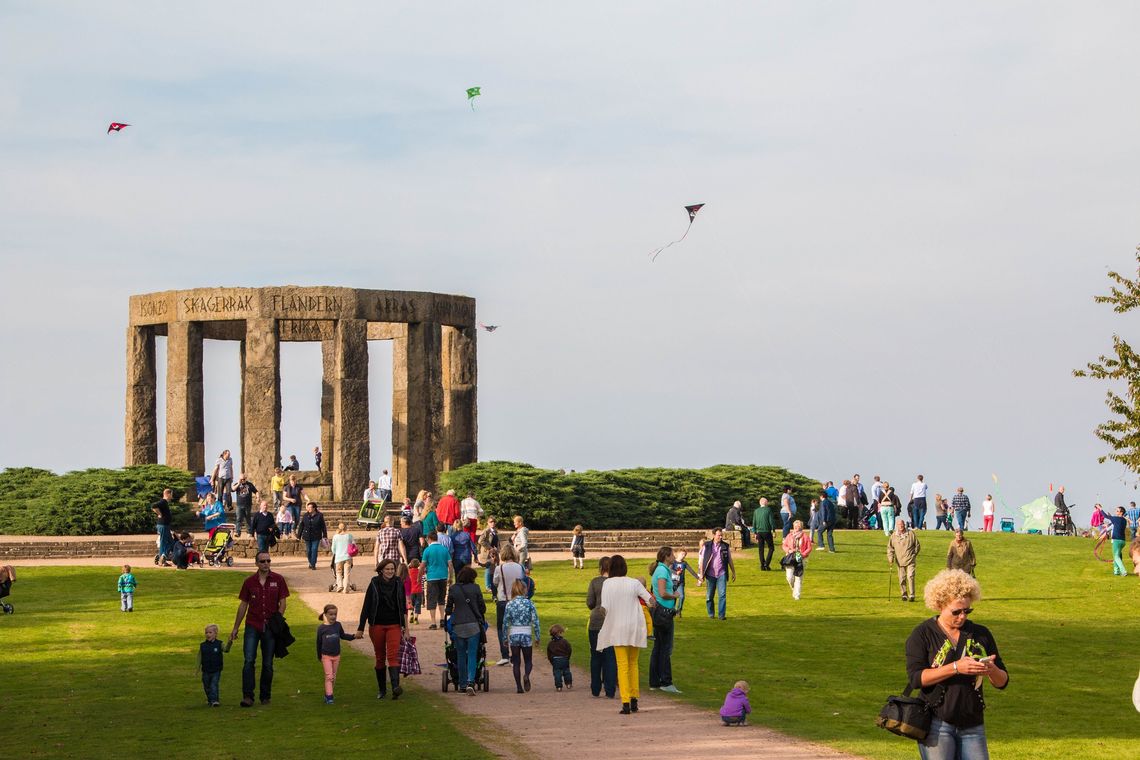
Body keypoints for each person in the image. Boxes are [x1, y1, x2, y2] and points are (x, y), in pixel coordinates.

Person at [905, 569, 1009, 758]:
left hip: (973, 725)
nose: (962, 616)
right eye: (956, 611)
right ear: (939, 605)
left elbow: (1003, 682)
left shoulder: (981, 634)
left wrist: (992, 669)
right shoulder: (922, 634)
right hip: (937, 724)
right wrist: (955, 668)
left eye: (967, 611)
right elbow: (916, 679)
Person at [229, 551, 290, 707]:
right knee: (249, 660)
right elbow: (243, 604)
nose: (266, 564)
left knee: (268, 663)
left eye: (268, 561)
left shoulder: (278, 579)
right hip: (252, 625)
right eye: (262, 561)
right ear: (256, 563)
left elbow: (282, 602)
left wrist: (278, 620)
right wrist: (235, 627)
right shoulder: (249, 582)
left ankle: (265, 696)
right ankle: (248, 696)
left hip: (270, 626)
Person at [596, 555, 652, 714]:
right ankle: (634, 698)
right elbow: (649, 599)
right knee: (633, 663)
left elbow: (604, 607)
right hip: (634, 626)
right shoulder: (634, 583)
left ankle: (626, 701)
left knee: (622, 665)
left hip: (618, 628)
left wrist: (605, 617)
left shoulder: (608, 583)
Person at [356, 558, 409, 700]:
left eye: (392, 569)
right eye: (387, 569)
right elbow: (366, 606)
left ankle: (395, 688)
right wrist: (361, 627)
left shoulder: (398, 583)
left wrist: (406, 629)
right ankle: (382, 690)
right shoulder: (374, 583)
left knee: (393, 656)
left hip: (394, 625)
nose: (390, 571)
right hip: (377, 625)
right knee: (380, 657)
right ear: (381, 570)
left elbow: (404, 607)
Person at [445, 566, 488, 696]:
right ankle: (471, 681)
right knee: (472, 655)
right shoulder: (475, 588)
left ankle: (462, 684)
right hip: (473, 625)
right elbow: (482, 607)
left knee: (461, 655)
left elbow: (448, 609)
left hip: (458, 625)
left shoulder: (453, 589)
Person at [649, 546, 681, 693]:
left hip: (660, 612)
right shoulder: (662, 570)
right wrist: (675, 595)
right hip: (663, 613)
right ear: (666, 557)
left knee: (658, 647)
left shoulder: (662, 570)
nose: (674, 557)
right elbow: (662, 593)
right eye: (672, 554)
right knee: (665, 648)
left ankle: (655, 681)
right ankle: (666, 682)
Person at [586, 555, 618, 698]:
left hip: (596, 621)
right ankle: (610, 689)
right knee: (610, 657)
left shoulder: (595, 582)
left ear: (601, 568)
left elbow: (590, 603)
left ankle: (595, 688)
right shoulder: (616, 583)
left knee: (596, 656)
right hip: (612, 621)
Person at [502, 578, 541, 694]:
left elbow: (505, 622)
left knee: (516, 662)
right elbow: (535, 621)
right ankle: (526, 675)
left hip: (514, 633)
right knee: (528, 660)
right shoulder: (529, 603)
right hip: (526, 633)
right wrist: (537, 637)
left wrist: (504, 637)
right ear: (524, 590)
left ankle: (519, 687)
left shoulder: (509, 604)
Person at [316, 604, 356, 704]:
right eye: (331, 614)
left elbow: (343, 636)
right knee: (329, 676)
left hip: (336, 656)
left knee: (333, 676)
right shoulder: (321, 628)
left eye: (335, 614)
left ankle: (327, 694)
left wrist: (354, 636)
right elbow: (318, 643)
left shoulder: (338, 625)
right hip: (326, 656)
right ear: (325, 614)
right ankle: (330, 697)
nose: (333, 616)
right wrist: (319, 656)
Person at [493, 545, 526, 665]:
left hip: (503, 600)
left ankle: (505, 655)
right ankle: (515, 656)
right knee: (515, 627)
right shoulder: (520, 567)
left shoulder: (499, 568)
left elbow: (495, 582)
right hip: (516, 600)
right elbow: (523, 581)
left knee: (502, 628)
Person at [698, 528, 735, 620]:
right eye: (719, 535)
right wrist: (701, 575)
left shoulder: (725, 546)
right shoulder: (706, 546)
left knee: (722, 595)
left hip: (722, 573)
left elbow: (729, 559)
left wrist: (733, 572)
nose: (721, 537)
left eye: (721, 535)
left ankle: (721, 615)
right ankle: (711, 613)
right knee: (709, 596)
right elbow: (702, 561)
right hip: (710, 575)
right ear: (714, 535)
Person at [421, 531, 452, 630]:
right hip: (443, 576)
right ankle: (442, 619)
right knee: (441, 599)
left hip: (432, 577)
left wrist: (418, 576)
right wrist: (450, 577)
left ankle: (433, 622)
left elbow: (422, 565)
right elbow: (450, 564)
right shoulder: (444, 549)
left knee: (431, 599)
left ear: (429, 539)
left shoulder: (427, 550)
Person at [888, 517, 922, 602]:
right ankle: (904, 594)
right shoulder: (893, 536)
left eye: (902, 524)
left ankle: (912, 595)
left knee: (910, 576)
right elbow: (890, 548)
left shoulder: (911, 534)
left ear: (904, 525)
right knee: (902, 578)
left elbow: (917, 546)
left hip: (910, 560)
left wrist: (914, 554)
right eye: (899, 525)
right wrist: (890, 558)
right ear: (897, 526)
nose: (901, 526)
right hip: (899, 561)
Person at [781, 519, 813, 600]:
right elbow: (784, 545)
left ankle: (797, 595)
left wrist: (803, 554)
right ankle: (793, 588)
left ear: (801, 527)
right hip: (790, 557)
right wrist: (789, 550)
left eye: (798, 526)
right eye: (795, 526)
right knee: (789, 577)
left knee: (799, 577)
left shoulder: (805, 537)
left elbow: (809, 548)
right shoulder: (789, 535)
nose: (796, 527)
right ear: (793, 527)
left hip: (801, 558)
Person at [197, 623, 224, 707]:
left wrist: (230, 642)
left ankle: (215, 700)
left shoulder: (219, 644)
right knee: (206, 686)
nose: (208, 634)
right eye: (206, 632)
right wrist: (197, 669)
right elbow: (199, 657)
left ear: (215, 634)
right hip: (206, 670)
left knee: (213, 684)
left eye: (210, 632)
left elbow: (226, 649)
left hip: (216, 669)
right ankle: (210, 699)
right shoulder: (203, 646)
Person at [297, 501, 327, 571]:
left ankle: (313, 564)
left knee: (314, 550)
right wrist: (299, 536)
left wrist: (325, 535)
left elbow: (323, 526)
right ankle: (310, 562)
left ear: (314, 508)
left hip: (316, 536)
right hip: (307, 536)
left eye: (310, 507)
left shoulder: (320, 515)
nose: (309, 509)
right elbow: (301, 525)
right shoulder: (305, 515)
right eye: (308, 507)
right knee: (308, 551)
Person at [669, 549, 698, 616]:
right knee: (673, 598)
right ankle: (673, 611)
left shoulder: (684, 563)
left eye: (685, 555)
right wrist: (676, 572)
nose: (683, 556)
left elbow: (691, 571)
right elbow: (670, 569)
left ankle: (679, 610)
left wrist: (698, 578)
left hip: (680, 583)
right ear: (678, 554)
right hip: (672, 583)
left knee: (682, 596)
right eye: (682, 554)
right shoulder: (673, 562)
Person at [752, 497, 779, 571]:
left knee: (761, 549)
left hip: (759, 532)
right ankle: (766, 564)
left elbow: (754, 522)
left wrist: (754, 532)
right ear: (765, 502)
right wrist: (773, 530)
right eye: (767, 502)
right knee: (771, 548)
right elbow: (771, 521)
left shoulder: (756, 511)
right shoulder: (768, 510)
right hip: (766, 531)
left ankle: (762, 565)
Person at [151, 488, 174, 567]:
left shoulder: (165, 503)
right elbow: (153, 506)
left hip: (165, 525)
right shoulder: (163, 502)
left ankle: (163, 557)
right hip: (163, 525)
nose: (172, 497)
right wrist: (159, 514)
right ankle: (162, 559)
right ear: (168, 494)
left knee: (170, 542)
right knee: (164, 542)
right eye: (171, 495)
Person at [547, 625, 573, 691]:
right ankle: (568, 683)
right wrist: (567, 657)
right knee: (566, 671)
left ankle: (559, 686)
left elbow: (549, 653)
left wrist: (551, 660)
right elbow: (569, 650)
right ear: (560, 633)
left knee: (557, 673)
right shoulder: (565, 641)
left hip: (555, 660)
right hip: (564, 659)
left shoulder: (550, 643)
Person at [330, 522, 354, 593]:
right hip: (347, 557)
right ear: (346, 528)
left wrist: (336, 552)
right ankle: (346, 588)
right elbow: (354, 545)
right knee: (347, 573)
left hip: (339, 557)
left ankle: (340, 586)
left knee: (338, 572)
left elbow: (333, 548)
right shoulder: (349, 536)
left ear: (338, 528)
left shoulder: (335, 536)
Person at [1106, 507, 1130, 576]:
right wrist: (1110, 517)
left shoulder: (1117, 519)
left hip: (1116, 540)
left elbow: (1106, 516)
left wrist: (1100, 509)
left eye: (1117, 511)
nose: (1116, 512)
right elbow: (1111, 518)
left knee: (1116, 556)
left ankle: (1123, 571)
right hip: (1122, 541)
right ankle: (1116, 571)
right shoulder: (1124, 520)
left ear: (1121, 512)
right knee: (1117, 555)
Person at [407, 559, 423, 624]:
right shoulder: (420, 571)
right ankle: (416, 618)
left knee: (411, 604)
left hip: (411, 590)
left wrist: (409, 565)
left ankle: (411, 614)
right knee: (418, 604)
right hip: (419, 591)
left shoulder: (409, 571)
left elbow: (407, 568)